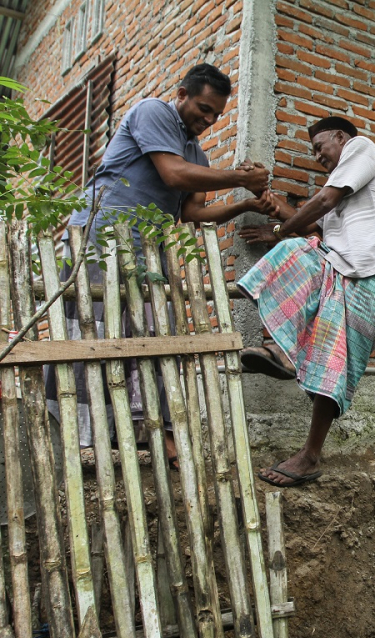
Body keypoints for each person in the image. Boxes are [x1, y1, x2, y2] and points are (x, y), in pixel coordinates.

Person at [46, 63, 275, 465]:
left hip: (143, 248)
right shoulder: (152, 111)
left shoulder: (196, 152)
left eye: (216, 115)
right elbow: (172, 175)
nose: (208, 119)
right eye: (203, 108)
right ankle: (85, 434)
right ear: (182, 93)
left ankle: (140, 429)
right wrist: (240, 178)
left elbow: (191, 213)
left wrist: (246, 203)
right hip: (103, 236)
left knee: (147, 333)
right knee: (94, 328)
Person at [238, 116, 375, 487]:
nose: (318, 156)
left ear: (341, 137)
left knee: (296, 253)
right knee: (331, 354)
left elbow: (322, 201)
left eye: (320, 147)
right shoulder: (342, 194)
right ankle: (309, 454)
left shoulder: (361, 148)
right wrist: (275, 213)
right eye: (313, 151)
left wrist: (280, 231)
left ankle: (282, 354)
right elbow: (317, 225)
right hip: (348, 271)